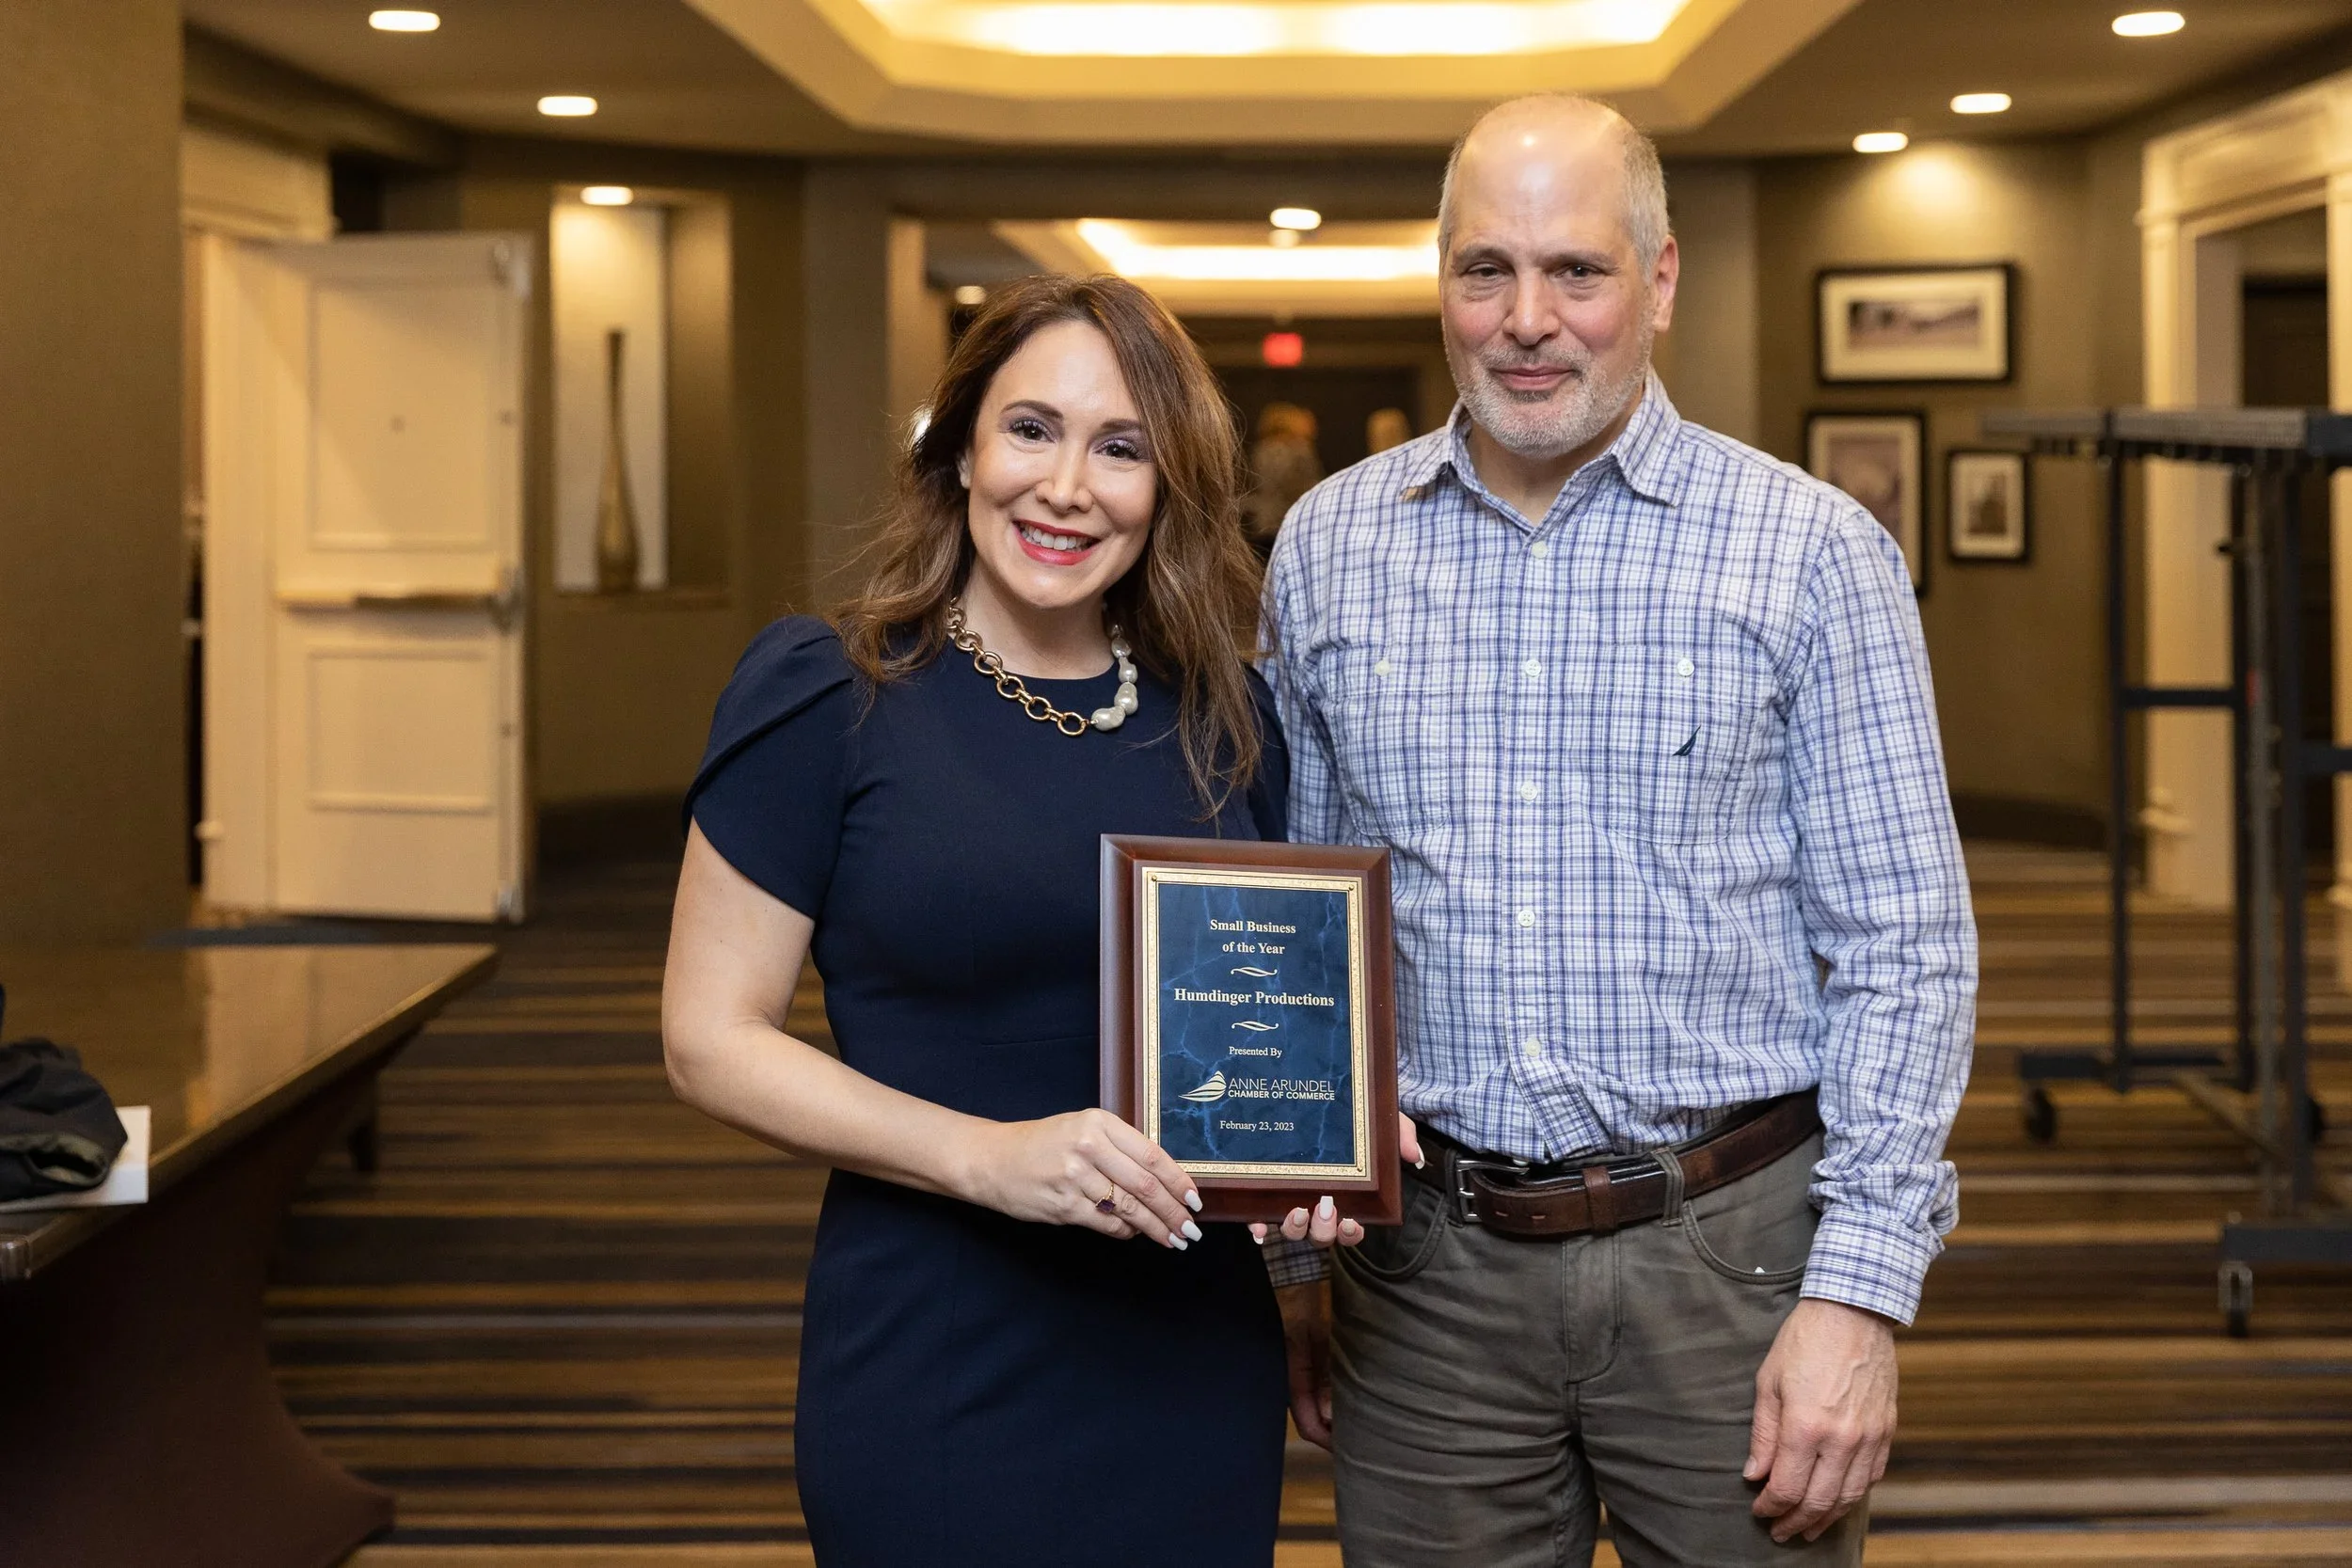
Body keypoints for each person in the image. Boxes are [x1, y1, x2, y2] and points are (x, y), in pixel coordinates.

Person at [1259, 95, 1977, 1566]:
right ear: (1441, 281)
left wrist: (1858, 1292)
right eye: (1485, 270)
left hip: (1733, 1261)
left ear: (1658, 280)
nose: (1529, 321)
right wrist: (1288, 1258)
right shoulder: (1326, 545)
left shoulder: (1812, 552)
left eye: (1577, 271)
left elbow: (1907, 947)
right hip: (1425, 1277)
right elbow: (1295, 930)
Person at [662, 275, 1293, 1566]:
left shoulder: (1229, 722)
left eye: (1121, 449)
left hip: (1189, 1352)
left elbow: (1259, 1035)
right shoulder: (830, 692)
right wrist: (989, 1157)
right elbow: (706, 1038)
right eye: (1031, 430)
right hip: (941, 1342)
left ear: (1167, 488)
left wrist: (1311, 1193)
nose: (1067, 485)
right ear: (955, 450)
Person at [1243, 401, 1324, 560]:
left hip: (1265, 523)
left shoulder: (1263, 449)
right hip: (1294, 520)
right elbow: (1308, 488)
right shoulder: (1300, 450)